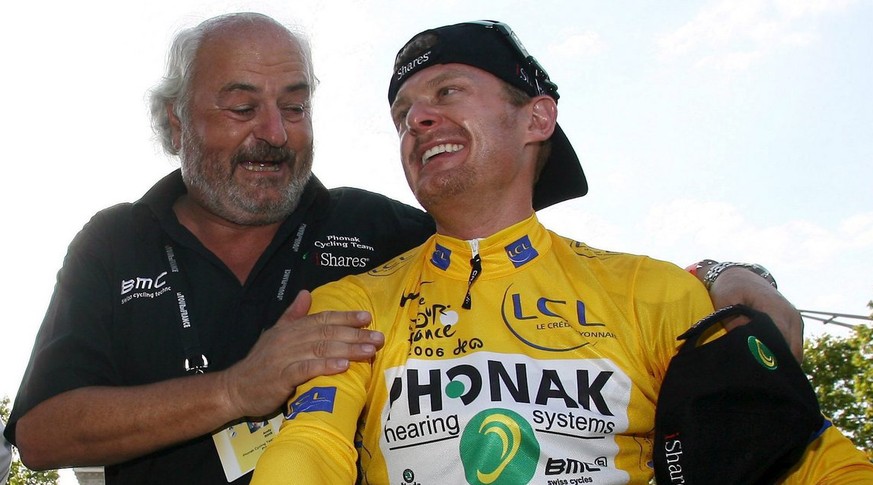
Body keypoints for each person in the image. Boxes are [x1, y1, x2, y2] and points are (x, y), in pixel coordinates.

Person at [4, 12, 803, 485]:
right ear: (175, 124)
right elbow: (40, 434)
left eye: (294, 105)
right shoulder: (112, 240)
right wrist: (238, 390)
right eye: (241, 106)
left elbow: (532, 256)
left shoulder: (377, 227)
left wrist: (727, 278)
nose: (274, 135)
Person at [252, 20, 873, 484]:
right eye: (403, 112)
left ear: (537, 119)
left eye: (447, 93)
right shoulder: (352, 300)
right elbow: (314, 445)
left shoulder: (652, 291)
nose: (417, 119)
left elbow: (796, 453)